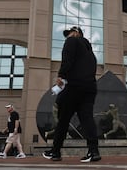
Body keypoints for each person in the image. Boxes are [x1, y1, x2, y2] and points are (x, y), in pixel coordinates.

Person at [42, 26, 101, 163]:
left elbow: (67, 59)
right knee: (87, 119)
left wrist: (61, 76)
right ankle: (94, 151)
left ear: (76, 33)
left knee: (63, 120)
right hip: (90, 88)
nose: (67, 36)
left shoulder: (72, 41)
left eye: (69, 33)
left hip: (74, 86)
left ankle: (55, 152)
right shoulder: (90, 52)